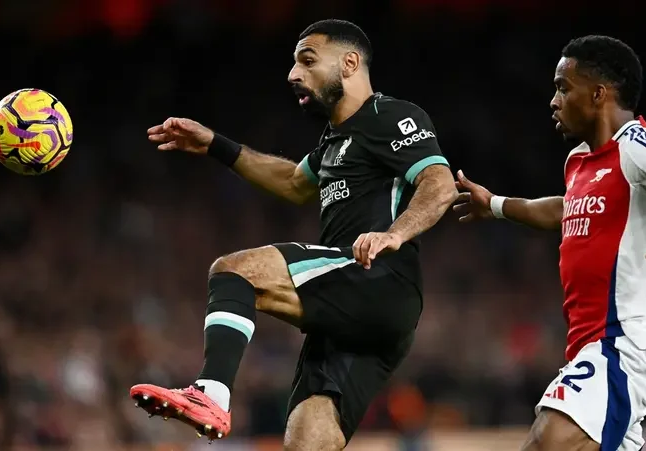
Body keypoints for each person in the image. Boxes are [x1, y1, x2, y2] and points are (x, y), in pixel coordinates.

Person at [129, 19, 456, 450]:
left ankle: (211, 393)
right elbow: (293, 182)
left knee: (235, 272)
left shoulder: (390, 116)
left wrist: (393, 235)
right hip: (354, 314)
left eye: (307, 60)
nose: (293, 74)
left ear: (349, 63)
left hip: (377, 279)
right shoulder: (335, 140)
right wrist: (214, 144)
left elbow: (440, 184)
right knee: (305, 441)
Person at [454, 35, 646, 450]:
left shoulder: (641, 149)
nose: (553, 101)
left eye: (563, 87)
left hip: (624, 344)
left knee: (547, 441)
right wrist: (497, 205)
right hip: (587, 345)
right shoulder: (579, 160)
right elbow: (567, 208)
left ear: (598, 94)